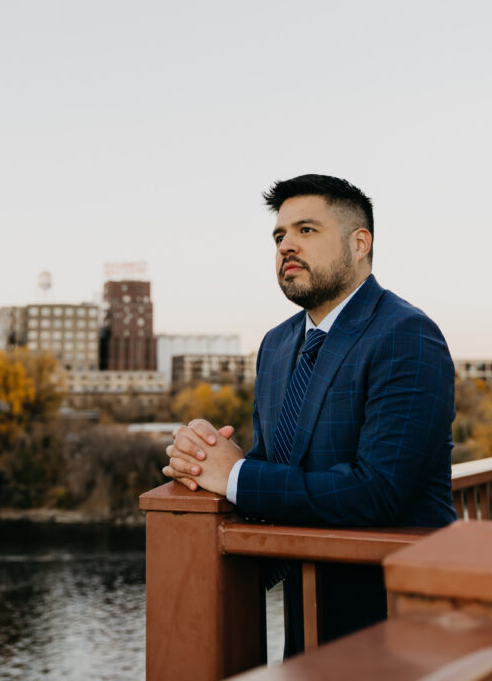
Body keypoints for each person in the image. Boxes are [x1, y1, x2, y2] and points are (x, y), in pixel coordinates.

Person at [163, 174, 456, 657]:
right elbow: (275, 462)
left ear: (359, 243)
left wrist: (234, 475)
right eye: (279, 236)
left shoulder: (407, 335)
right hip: (304, 607)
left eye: (306, 230)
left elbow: (379, 491)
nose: (286, 246)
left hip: (397, 613)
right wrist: (200, 461)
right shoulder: (277, 344)